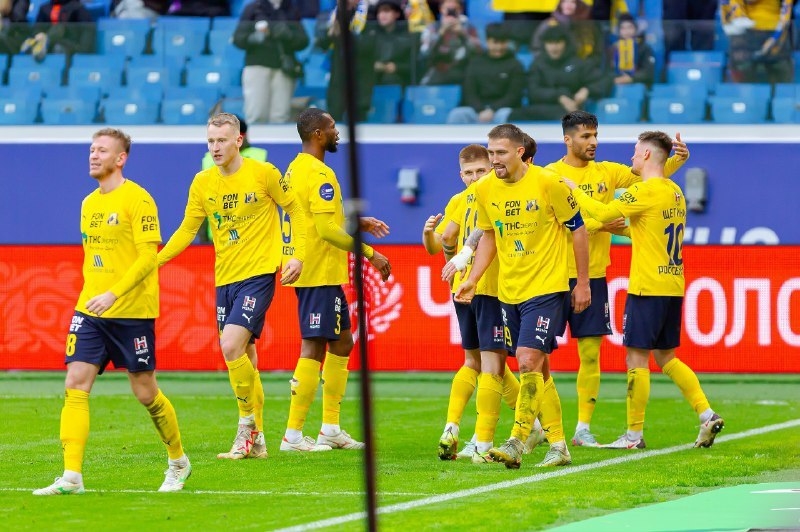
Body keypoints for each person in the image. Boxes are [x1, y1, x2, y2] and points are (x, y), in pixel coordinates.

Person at [33, 128, 191, 495]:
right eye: (92, 149)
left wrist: (114, 293)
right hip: (90, 310)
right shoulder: (88, 203)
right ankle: (72, 476)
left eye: (102, 150)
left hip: (132, 311)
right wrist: (97, 295)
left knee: (145, 392)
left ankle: (178, 461)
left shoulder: (139, 199)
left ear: (121, 159)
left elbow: (148, 256)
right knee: (75, 382)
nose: (93, 155)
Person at [158, 112, 308, 460]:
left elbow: (296, 211)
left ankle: (245, 427)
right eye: (210, 141)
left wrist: (297, 256)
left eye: (222, 140)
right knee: (244, 358)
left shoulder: (264, 173)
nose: (215, 147)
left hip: (259, 274)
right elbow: (186, 229)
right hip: (224, 277)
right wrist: (155, 261)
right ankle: (258, 438)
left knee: (229, 346)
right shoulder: (202, 182)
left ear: (238, 140)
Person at [562, 130, 724, 450]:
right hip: (672, 284)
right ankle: (706, 414)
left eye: (636, 151)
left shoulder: (645, 191)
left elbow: (604, 213)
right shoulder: (674, 191)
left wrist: (574, 191)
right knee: (666, 357)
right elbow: (636, 228)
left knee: (636, 358)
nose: (632, 157)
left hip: (647, 286)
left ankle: (633, 436)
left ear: (647, 154)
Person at [545, 111, 689, 448]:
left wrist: (678, 160)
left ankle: (582, 428)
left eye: (595, 135)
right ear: (567, 139)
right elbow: (552, 222)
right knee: (536, 356)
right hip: (552, 274)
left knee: (590, 355)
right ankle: (540, 425)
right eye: (585, 136)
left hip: (593, 275)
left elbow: (652, 178)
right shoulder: (550, 175)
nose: (593, 141)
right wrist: (598, 224)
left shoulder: (608, 172)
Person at [454, 123, 591, 469]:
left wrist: (583, 282)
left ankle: (517, 439)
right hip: (509, 291)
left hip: (547, 287)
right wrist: (473, 279)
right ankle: (559, 445)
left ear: (519, 152)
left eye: (500, 152)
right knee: (538, 371)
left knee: (528, 359)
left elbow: (578, 230)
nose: (494, 159)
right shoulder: (485, 189)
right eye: (491, 152)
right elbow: (489, 235)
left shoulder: (548, 182)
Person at [279, 108, 391, 451]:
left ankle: (330, 427)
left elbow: (316, 218)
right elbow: (326, 230)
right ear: (317, 134)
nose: (336, 132)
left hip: (315, 269)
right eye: (330, 127)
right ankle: (293, 435)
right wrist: (370, 253)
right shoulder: (320, 173)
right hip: (317, 270)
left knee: (343, 342)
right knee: (313, 346)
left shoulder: (295, 168)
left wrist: (356, 221)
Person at [423, 144, 540, 463]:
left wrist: (458, 255)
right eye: (469, 172)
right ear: (460, 175)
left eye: (480, 171)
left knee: (489, 364)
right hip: (468, 289)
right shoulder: (460, 200)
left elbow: (475, 236)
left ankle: (479, 437)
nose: (475, 177)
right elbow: (443, 241)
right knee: (480, 362)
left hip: (492, 288)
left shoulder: (496, 195)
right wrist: (429, 235)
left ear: (491, 169)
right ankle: (494, 433)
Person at [509, 23, 610, 122]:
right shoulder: (537, 65)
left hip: (572, 110)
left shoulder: (578, 63)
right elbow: (533, 92)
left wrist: (587, 90)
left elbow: (603, 81)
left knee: (572, 115)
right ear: (544, 45)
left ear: (566, 43)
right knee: (514, 115)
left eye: (558, 42)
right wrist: (559, 97)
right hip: (541, 109)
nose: (554, 47)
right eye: (550, 43)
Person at [233, 0, 308, 124]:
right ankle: (254, 138)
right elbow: (238, 38)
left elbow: (303, 41)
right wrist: (253, 38)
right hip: (257, 66)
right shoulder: (253, 8)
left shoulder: (291, 9)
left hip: (283, 68)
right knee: (256, 114)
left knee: (281, 116)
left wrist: (289, 35)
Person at [198, 116, 267, 244]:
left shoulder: (260, 158)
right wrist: (203, 240)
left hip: (253, 240)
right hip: (217, 239)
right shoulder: (209, 160)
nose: (216, 147)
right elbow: (202, 203)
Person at [446, 22, 525, 124]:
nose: (499, 47)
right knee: (457, 114)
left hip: (501, 110)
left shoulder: (515, 65)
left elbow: (513, 95)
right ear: (487, 41)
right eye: (495, 42)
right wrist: (480, 110)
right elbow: (469, 91)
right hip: (476, 110)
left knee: (506, 114)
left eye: (503, 42)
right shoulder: (475, 63)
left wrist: (492, 110)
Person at [316, 0, 376, 122]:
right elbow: (322, 43)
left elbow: (370, 45)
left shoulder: (371, 13)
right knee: (334, 113)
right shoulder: (333, 14)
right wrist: (332, 32)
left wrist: (344, 36)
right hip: (338, 73)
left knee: (359, 116)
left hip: (361, 74)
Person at [720, 0, 794, 85]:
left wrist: (774, 38)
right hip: (745, 36)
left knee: (781, 79)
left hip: (774, 35)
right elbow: (728, 10)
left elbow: (786, 16)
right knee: (744, 82)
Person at [418, 0, 482, 85]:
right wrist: (440, 34)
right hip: (437, 71)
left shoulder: (469, 27)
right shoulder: (432, 28)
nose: (451, 13)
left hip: (463, 71)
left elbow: (478, 52)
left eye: (455, 9)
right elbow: (424, 52)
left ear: (461, 10)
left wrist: (463, 34)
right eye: (448, 9)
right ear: (441, 9)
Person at [20, 0, 95, 62]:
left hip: (67, 47)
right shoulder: (44, 8)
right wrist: (39, 34)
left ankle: (46, 40)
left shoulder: (78, 8)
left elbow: (86, 35)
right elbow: (37, 29)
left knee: (58, 45)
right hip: (48, 47)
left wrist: (81, 51)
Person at [607, 13, 656, 88]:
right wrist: (615, 79)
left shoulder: (645, 48)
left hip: (639, 87)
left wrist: (631, 78)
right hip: (615, 87)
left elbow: (648, 73)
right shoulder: (612, 49)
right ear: (618, 31)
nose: (627, 32)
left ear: (635, 29)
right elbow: (606, 72)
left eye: (630, 27)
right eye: (623, 28)